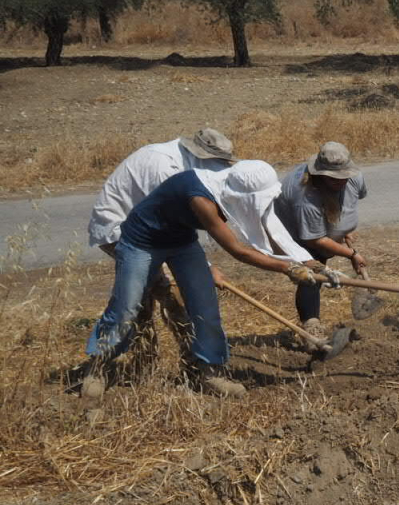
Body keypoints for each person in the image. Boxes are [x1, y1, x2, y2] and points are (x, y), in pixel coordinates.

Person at [81, 160, 324, 400]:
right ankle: (99, 367)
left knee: (205, 306)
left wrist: (305, 263)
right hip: (141, 241)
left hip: (181, 241)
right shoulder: (202, 198)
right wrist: (288, 268)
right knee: (126, 306)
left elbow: (270, 228)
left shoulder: (232, 183)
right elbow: (238, 251)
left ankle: (209, 373)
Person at [86, 129, 240, 364]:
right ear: (200, 154)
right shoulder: (164, 166)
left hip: (161, 232)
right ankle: (116, 361)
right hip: (120, 230)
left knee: (146, 298)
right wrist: (208, 267)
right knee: (163, 296)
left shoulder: (192, 167)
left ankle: (151, 361)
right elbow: (171, 217)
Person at [274, 142, 368, 343]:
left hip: (320, 231)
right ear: (321, 175)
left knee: (316, 271)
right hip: (298, 236)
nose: (341, 181)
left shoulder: (355, 177)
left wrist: (345, 229)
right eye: (334, 179)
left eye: (344, 176)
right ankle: (311, 327)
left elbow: (351, 201)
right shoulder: (305, 197)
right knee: (311, 276)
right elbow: (314, 239)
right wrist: (351, 254)